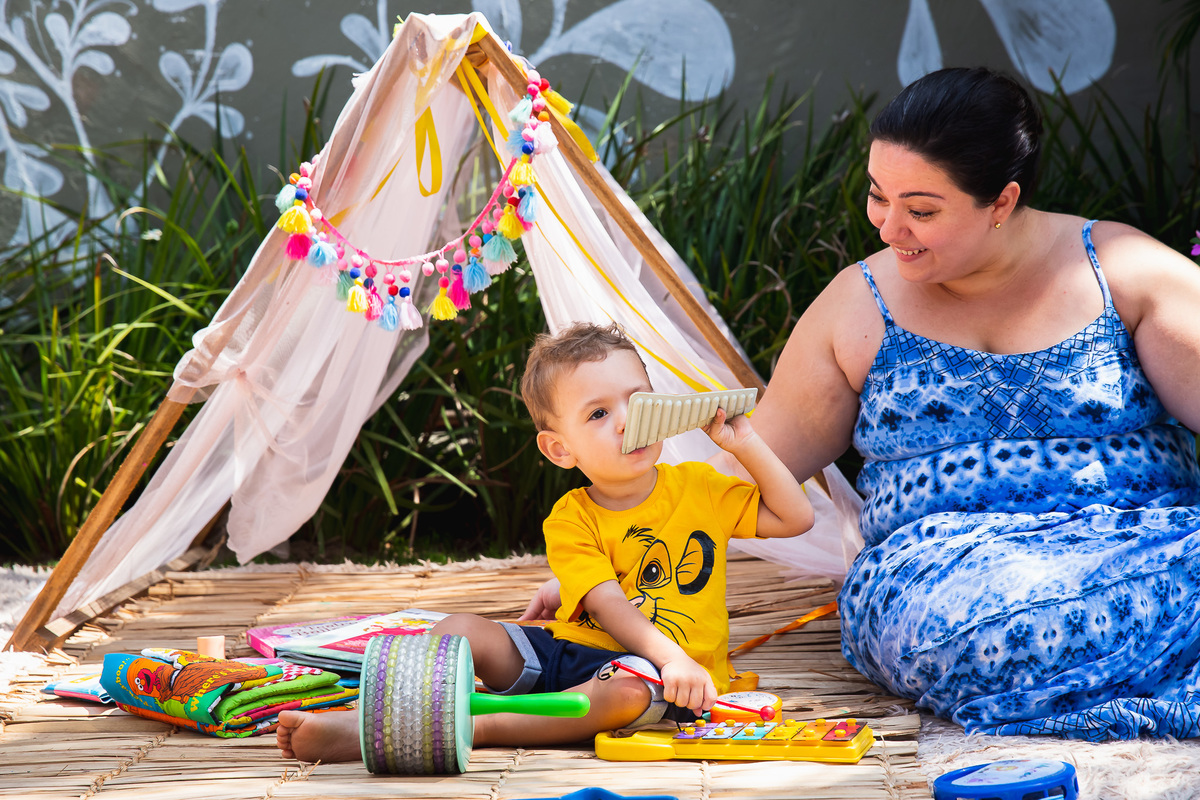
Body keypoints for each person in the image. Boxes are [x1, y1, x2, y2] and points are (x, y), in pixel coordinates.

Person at [521, 67, 1200, 742]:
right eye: (879, 197)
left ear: (1002, 200)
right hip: (953, 579)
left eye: (922, 210)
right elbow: (743, 472)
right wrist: (608, 563)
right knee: (993, 636)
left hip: (1146, 542)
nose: (888, 227)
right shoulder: (860, 304)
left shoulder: (1124, 271)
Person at [276, 322, 813, 762]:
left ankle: (480, 726)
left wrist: (746, 443)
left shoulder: (699, 487)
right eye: (598, 414)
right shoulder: (571, 517)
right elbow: (608, 603)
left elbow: (796, 517)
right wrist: (657, 647)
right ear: (560, 450)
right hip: (573, 650)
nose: (627, 421)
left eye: (638, 400)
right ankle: (373, 720)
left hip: (658, 679)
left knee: (623, 693)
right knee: (461, 629)